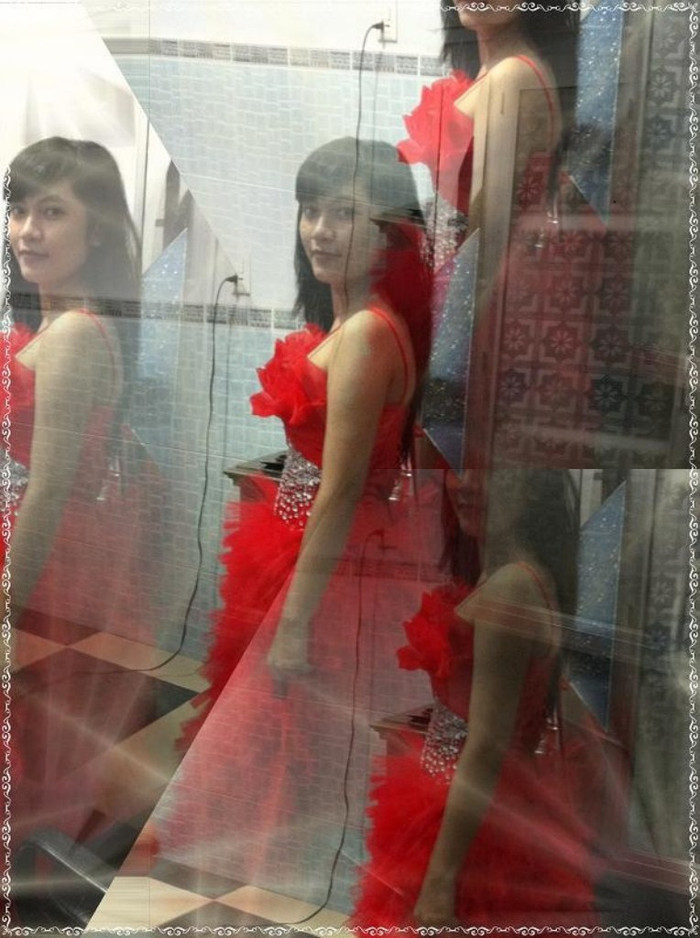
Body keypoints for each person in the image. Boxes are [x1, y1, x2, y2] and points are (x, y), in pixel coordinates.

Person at [155, 137, 439, 910]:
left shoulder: (370, 332)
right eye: (311, 210)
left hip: (332, 564)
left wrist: (294, 623)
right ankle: (253, 881)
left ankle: (268, 887)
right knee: (274, 728)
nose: (319, 230)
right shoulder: (353, 319)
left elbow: (340, 490)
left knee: (290, 732)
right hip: (305, 546)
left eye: (344, 213)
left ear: (391, 229)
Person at [351, 468, 600, 929]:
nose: (464, 484)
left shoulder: (512, 587)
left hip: (475, 817)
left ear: (530, 486)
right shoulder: (509, 573)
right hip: (463, 800)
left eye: (491, 473)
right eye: (460, 467)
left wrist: (441, 878)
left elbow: (486, 744)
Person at [3, 137, 156, 849]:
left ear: (95, 230)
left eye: (52, 212)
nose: (27, 230)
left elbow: (48, 491)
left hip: (39, 571)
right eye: (18, 210)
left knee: (34, 758)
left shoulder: (73, 334)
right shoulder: (55, 324)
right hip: (39, 559)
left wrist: (5, 613)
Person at [404, 2, 593, 472]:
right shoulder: (497, 71)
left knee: (452, 465)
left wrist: (450, 344)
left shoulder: (512, 74)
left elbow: (487, 230)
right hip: (470, 288)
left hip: (479, 297)